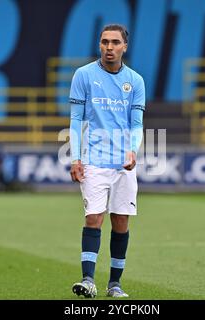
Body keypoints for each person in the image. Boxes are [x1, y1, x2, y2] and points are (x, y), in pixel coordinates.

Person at [69, 24, 145, 298]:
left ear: (125, 46)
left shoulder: (135, 81)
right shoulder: (84, 75)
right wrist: (75, 157)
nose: (109, 47)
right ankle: (88, 279)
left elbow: (136, 124)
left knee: (121, 223)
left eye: (114, 42)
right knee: (93, 218)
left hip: (123, 165)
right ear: (99, 44)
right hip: (93, 161)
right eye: (104, 42)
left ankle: (115, 284)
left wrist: (132, 150)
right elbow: (76, 119)